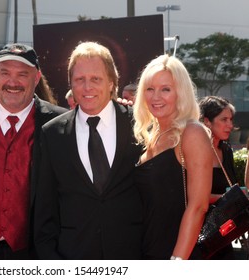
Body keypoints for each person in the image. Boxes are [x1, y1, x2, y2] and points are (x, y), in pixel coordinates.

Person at [0, 43, 67, 260]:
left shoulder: (60, 122)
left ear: (36, 78)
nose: (13, 82)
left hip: (33, 252)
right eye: (6, 73)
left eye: (22, 74)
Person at [34, 41, 143, 259]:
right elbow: (45, 209)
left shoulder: (139, 126)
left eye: (96, 79)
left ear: (112, 82)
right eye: (79, 80)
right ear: (71, 85)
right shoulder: (52, 133)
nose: (87, 87)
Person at [132, 54, 213, 260]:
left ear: (181, 93)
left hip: (177, 254)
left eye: (165, 89)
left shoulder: (192, 132)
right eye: (150, 89)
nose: (155, 97)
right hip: (145, 250)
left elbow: (198, 206)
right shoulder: (150, 134)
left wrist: (176, 262)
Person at [199, 96, 238, 259]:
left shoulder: (226, 150)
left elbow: (233, 185)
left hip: (224, 232)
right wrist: (225, 198)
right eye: (224, 119)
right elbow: (190, 197)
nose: (230, 125)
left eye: (230, 119)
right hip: (200, 233)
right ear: (207, 121)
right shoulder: (196, 151)